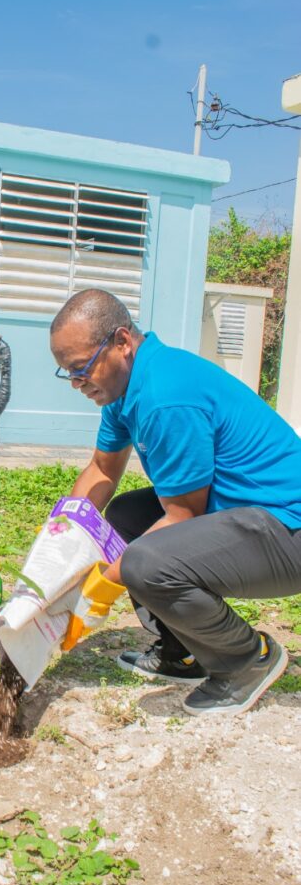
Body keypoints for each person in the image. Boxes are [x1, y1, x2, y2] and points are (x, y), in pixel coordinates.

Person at [49, 288, 301, 715]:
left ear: (122, 342)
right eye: (68, 374)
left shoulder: (166, 395)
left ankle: (247, 660)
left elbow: (182, 516)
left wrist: (100, 588)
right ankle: (182, 653)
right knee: (126, 516)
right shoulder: (125, 387)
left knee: (144, 561)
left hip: (287, 530)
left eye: (82, 369)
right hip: (245, 515)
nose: (77, 384)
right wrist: (60, 543)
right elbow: (102, 470)